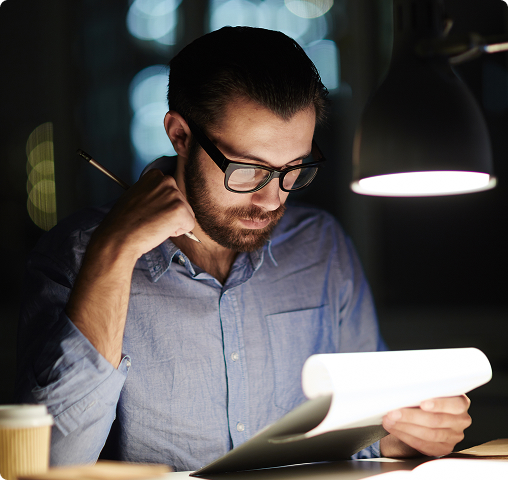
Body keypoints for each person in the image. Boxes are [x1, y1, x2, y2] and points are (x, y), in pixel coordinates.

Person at [16, 26, 471, 472]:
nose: (272, 200)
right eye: (249, 169)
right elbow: (50, 463)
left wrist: (403, 435)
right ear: (180, 135)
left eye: (294, 168)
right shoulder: (78, 255)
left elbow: (364, 431)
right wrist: (114, 252)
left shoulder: (321, 247)